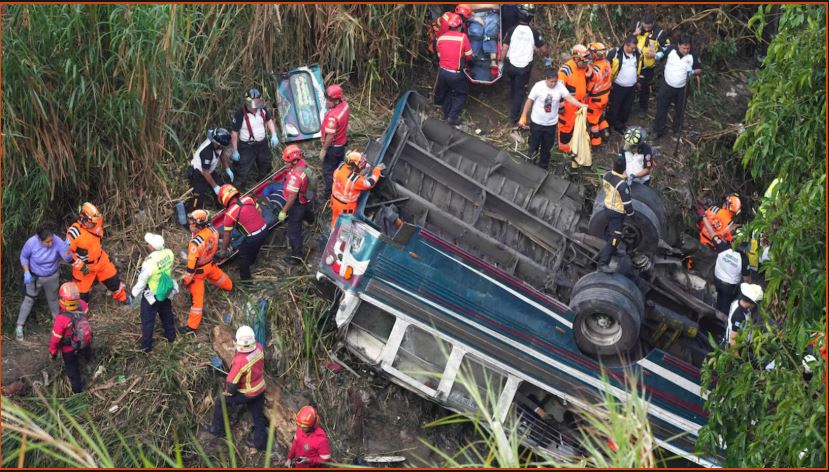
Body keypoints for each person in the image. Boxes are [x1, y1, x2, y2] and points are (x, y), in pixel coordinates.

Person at [204, 325, 268, 451]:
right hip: (260, 388)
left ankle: (218, 429)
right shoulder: (259, 348)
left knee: (220, 401)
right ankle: (261, 444)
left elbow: (232, 384)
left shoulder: (240, 361)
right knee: (258, 416)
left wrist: (228, 394)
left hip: (247, 393)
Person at [519, 68, 587, 171]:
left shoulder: (560, 87)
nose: (553, 84)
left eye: (555, 81)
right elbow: (529, 101)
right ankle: (530, 164)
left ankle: (543, 168)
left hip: (550, 125)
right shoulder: (538, 86)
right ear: (546, 79)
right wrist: (523, 116)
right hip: (537, 123)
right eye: (551, 81)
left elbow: (569, 98)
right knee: (533, 145)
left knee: (546, 148)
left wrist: (580, 105)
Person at [66, 202, 131, 306]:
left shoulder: (96, 223)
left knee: (114, 281)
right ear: (83, 220)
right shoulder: (74, 233)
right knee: (81, 294)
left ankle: (123, 298)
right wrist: (80, 265)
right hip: (84, 267)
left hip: (101, 261)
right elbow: (67, 253)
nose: (95, 225)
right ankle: (80, 315)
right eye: (92, 222)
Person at [16, 225, 72, 341]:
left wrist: (67, 249)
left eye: (52, 240)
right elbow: (24, 257)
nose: (50, 244)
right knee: (29, 299)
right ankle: (19, 326)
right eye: (47, 242)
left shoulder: (57, 241)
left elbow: (67, 259)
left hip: (52, 275)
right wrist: (26, 272)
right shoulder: (31, 243)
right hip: (34, 277)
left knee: (53, 299)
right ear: (39, 240)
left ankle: (58, 326)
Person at [181, 210, 233, 334]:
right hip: (210, 265)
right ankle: (230, 287)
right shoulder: (214, 231)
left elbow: (191, 268)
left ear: (198, 224)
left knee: (197, 302)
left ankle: (191, 327)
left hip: (198, 273)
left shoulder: (195, 243)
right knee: (224, 280)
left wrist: (186, 280)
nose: (190, 225)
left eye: (191, 223)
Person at [130, 233, 177, 352]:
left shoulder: (149, 263)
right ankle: (171, 336)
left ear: (152, 247)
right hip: (165, 291)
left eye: (148, 244)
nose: (147, 245)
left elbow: (141, 281)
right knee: (167, 314)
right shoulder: (169, 253)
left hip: (152, 294)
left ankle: (147, 346)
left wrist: (132, 295)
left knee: (147, 320)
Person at [501, 4, 547, 124]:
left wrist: (500, 62)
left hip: (510, 65)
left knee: (513, 83)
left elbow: (504, 48)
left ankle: (511, 99)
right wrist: (548, 57)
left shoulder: (511, 30)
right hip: (524, 68)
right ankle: (514, 119)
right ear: (531, 18)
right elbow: (543, 49)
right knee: (519, 93)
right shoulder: (534, 33)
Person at [652, 34, 702, 139]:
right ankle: (658, 130)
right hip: (667, 84)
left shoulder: (693, 55)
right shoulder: (671, 49)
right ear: (678, 45)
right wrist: (658, 55)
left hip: (682, 88)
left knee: (680, 109)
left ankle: (676, 128)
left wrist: (692, 71)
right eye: (684, 48)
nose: (686, 50)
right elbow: (662, 54)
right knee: (662, 107)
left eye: (688, 48)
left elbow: (699, 69)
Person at [229, 87, 280, 191]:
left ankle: (264, 186)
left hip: (262, 144)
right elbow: (234, 133)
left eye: (257, 103)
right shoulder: (240, 114)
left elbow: (269, 121)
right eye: (253, 104)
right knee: (242, 170)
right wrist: (235, 151)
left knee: (266, 164)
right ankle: (238, 192)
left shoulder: (262, 109)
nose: (255, 107)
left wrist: (274, 134)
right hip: (246, 146)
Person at [218, 184, 268, 281]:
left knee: (242, 256)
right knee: (255, 246)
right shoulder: (248, 199)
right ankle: (252, 261)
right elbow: (260, 211)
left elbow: (227, 235)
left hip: (253, 236)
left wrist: (224, 250)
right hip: (265, 228)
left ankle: (246, 281)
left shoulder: (229, 214)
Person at [49, 282, 92, 394]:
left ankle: (78, 392)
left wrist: (53, 352)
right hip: (85, 340)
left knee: (73, 370)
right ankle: (90, 362)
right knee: (87, 352)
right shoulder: (83, 305)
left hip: (69, 349)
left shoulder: (61, 319)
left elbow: (55, 339)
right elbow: (87, 317)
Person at [277, 145, 316, 266]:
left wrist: (284, 211)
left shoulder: (295, 177)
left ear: (294, 161)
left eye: (286, 161)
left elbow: (292, 198)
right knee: (307, 211)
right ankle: (311, 220)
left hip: (297, 204)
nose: (284, 163)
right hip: (305, 199)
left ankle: (297, 256)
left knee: (293, 232)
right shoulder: (302, 163)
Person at [434, 12, 474, 126]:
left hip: (442, 72)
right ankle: (452, 117)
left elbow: (440, 56)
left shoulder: (441, 38)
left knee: (446, 92)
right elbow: (469, 56)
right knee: (461, 94)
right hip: (454, 74)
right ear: (460, 26)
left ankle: (446, 114)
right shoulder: (463, 37)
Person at [596, 154, 634, 270]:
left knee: (610, 233)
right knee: (615, 237)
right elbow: (627, 203)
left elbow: (615, 180)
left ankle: (614, 250)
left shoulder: (606, 175)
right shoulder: (622, 185)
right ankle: (603, 263)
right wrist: (632, 215)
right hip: (617, 212)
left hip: (607, 207)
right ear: (624, 168)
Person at [330, 152, 385, 230]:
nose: (363, 164)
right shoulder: (355, 180)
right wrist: (377, 171)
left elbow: (350, 175)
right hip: (346, 207)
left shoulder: (341, 167)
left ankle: (332, 230)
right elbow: (370, 183)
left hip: (334, 201)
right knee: (344, 225)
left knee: (335, 218)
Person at [630, 14, 671, 113]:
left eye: (649, 27)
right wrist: (635, 33)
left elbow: (668, 47)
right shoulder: (638, 26)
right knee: (630, 84)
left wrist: (656, 55)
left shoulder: (660, 33)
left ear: (653, 23)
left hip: (647, 66)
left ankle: (642, 109)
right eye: (645, 26)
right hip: (633, 62)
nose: (647, 28)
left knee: (644, 87)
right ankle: (629, 105)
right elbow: (628, 39)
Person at [557, 44, 593, 154]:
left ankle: (573, 145)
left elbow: (590, 76)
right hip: (568, 107)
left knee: (576, 127)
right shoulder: (565, 70)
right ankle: (564, 150)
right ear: (576, 58)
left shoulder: (583, 66)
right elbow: (559, 88)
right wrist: (561, 106)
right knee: (566, 128)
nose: (586, 63)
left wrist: (588, 71)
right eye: (584, 61)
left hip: (580, 104)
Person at [187, 128, 233, 211]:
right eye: (221, 146)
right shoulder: (207, 152)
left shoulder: (217, 144)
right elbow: (205, 172)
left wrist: (227, 169)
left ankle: (221, 208)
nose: (222, 147)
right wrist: (215, 187)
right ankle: (194, 213)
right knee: (198, 196)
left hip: (209, 171)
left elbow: (221, 154)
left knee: (221, 189)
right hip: (199, 173)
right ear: (217, 143)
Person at [319, 84, 350, 200]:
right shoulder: (345, 105)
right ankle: (340, 186)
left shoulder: (333, 116)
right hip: (341, 144)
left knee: (328, 171)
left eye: (330, 100)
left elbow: (330, 136)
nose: (327, 102)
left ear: (337, 100)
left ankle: (328, 194)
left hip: (333, 148)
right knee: (339, 168)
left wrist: (324, 149)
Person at [606, 35, 641, 134]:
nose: (634, 50)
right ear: (626, 45)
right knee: (614, 106)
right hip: (618, 86)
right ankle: (609, 124)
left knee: (626, 107)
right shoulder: (615, 53)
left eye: (635, 48)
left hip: (631, 87)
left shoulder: (637, 54)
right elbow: (606, 66)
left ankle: (620, 125)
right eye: (632, 48)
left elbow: (638, 66)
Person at [712, 237, 750, 315]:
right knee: (725, 309)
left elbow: (712, 234)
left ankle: (714, 310)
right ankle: (721, 321)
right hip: (729, 288)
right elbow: (747, 280)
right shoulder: (744, 258)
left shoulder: (723, 247)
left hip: (716, 281)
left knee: (718, 300)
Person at [586, 42, 612, 146]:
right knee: (601, 116)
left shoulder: (594, 69)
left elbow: (590, 85)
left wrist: (586, 93)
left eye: (591, 53)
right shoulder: (607, 63)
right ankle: (606, 132)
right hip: (605, 96)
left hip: (595, 99)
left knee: (593, 121)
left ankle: (596, 142)